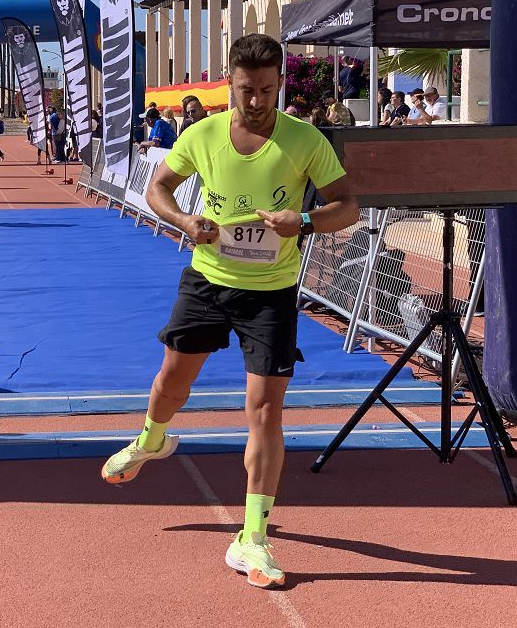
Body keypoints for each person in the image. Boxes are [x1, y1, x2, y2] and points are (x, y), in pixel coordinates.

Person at [100, 34, 358, 589]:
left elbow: (348, 206)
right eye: (246, 90)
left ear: (279, 83)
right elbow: (159, 187)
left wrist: (305, 222)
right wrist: (186, 223)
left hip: (271, 290)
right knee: (173, 379)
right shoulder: (202, 134)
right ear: (230, 83)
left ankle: (253, 538)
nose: (257, 101)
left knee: (264, 410)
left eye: (267, 89)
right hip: (209, 280)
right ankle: (152, 439)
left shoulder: (305, 140)